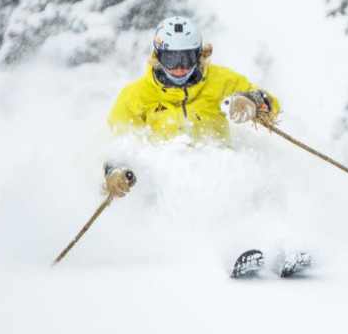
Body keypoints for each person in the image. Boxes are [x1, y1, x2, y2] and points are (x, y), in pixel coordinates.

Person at [102, 14, 279, 199]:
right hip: (165, 189)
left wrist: (252, 101)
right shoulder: (136, 95)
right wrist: (114, 172)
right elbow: (119, 142)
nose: (179, 68)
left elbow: (270, 104)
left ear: (198, 55)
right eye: (171, 59)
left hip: (222, 180)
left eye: (186, 59)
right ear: (158, 56)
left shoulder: (220, 80)